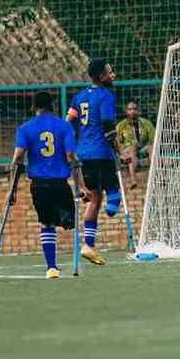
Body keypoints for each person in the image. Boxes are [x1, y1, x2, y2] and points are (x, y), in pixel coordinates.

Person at [12, 91, 80, 279]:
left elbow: (18, 157)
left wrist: (13, 189)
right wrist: (80, 184)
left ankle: (51, 267)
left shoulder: (25, 128)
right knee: (70, 220)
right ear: (52, 106)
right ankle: (67, 220)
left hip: (39, 184)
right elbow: (71, 156)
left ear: (34, 107)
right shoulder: (64, 126)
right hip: (60, 183)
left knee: (46, 222)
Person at [66, 57, 119, 265]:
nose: (113, 75)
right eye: (110, 72)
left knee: (94, 199)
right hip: (101, 153)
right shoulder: (106, 96)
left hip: (83, 154)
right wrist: (119, 151)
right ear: (101, 77)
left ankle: (88, 246)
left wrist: (76, 139)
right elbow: (108, 126)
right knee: (112, 193)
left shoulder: (78, 97)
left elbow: (69, 120)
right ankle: (113, 206)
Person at [116, 100, 155, 191]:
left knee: (151, 148)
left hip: (142, 148)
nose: (132, 111)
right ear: (126, 111)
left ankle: (159, 176)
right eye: (130, 109)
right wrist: (122, 152)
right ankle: (133, 180)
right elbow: (117, 142)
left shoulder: (146, 123)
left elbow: (153, 139)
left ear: (138, 111)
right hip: (128, 150)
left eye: (134, 109)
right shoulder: (121, 125)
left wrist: (149, 145)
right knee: (132, 147)